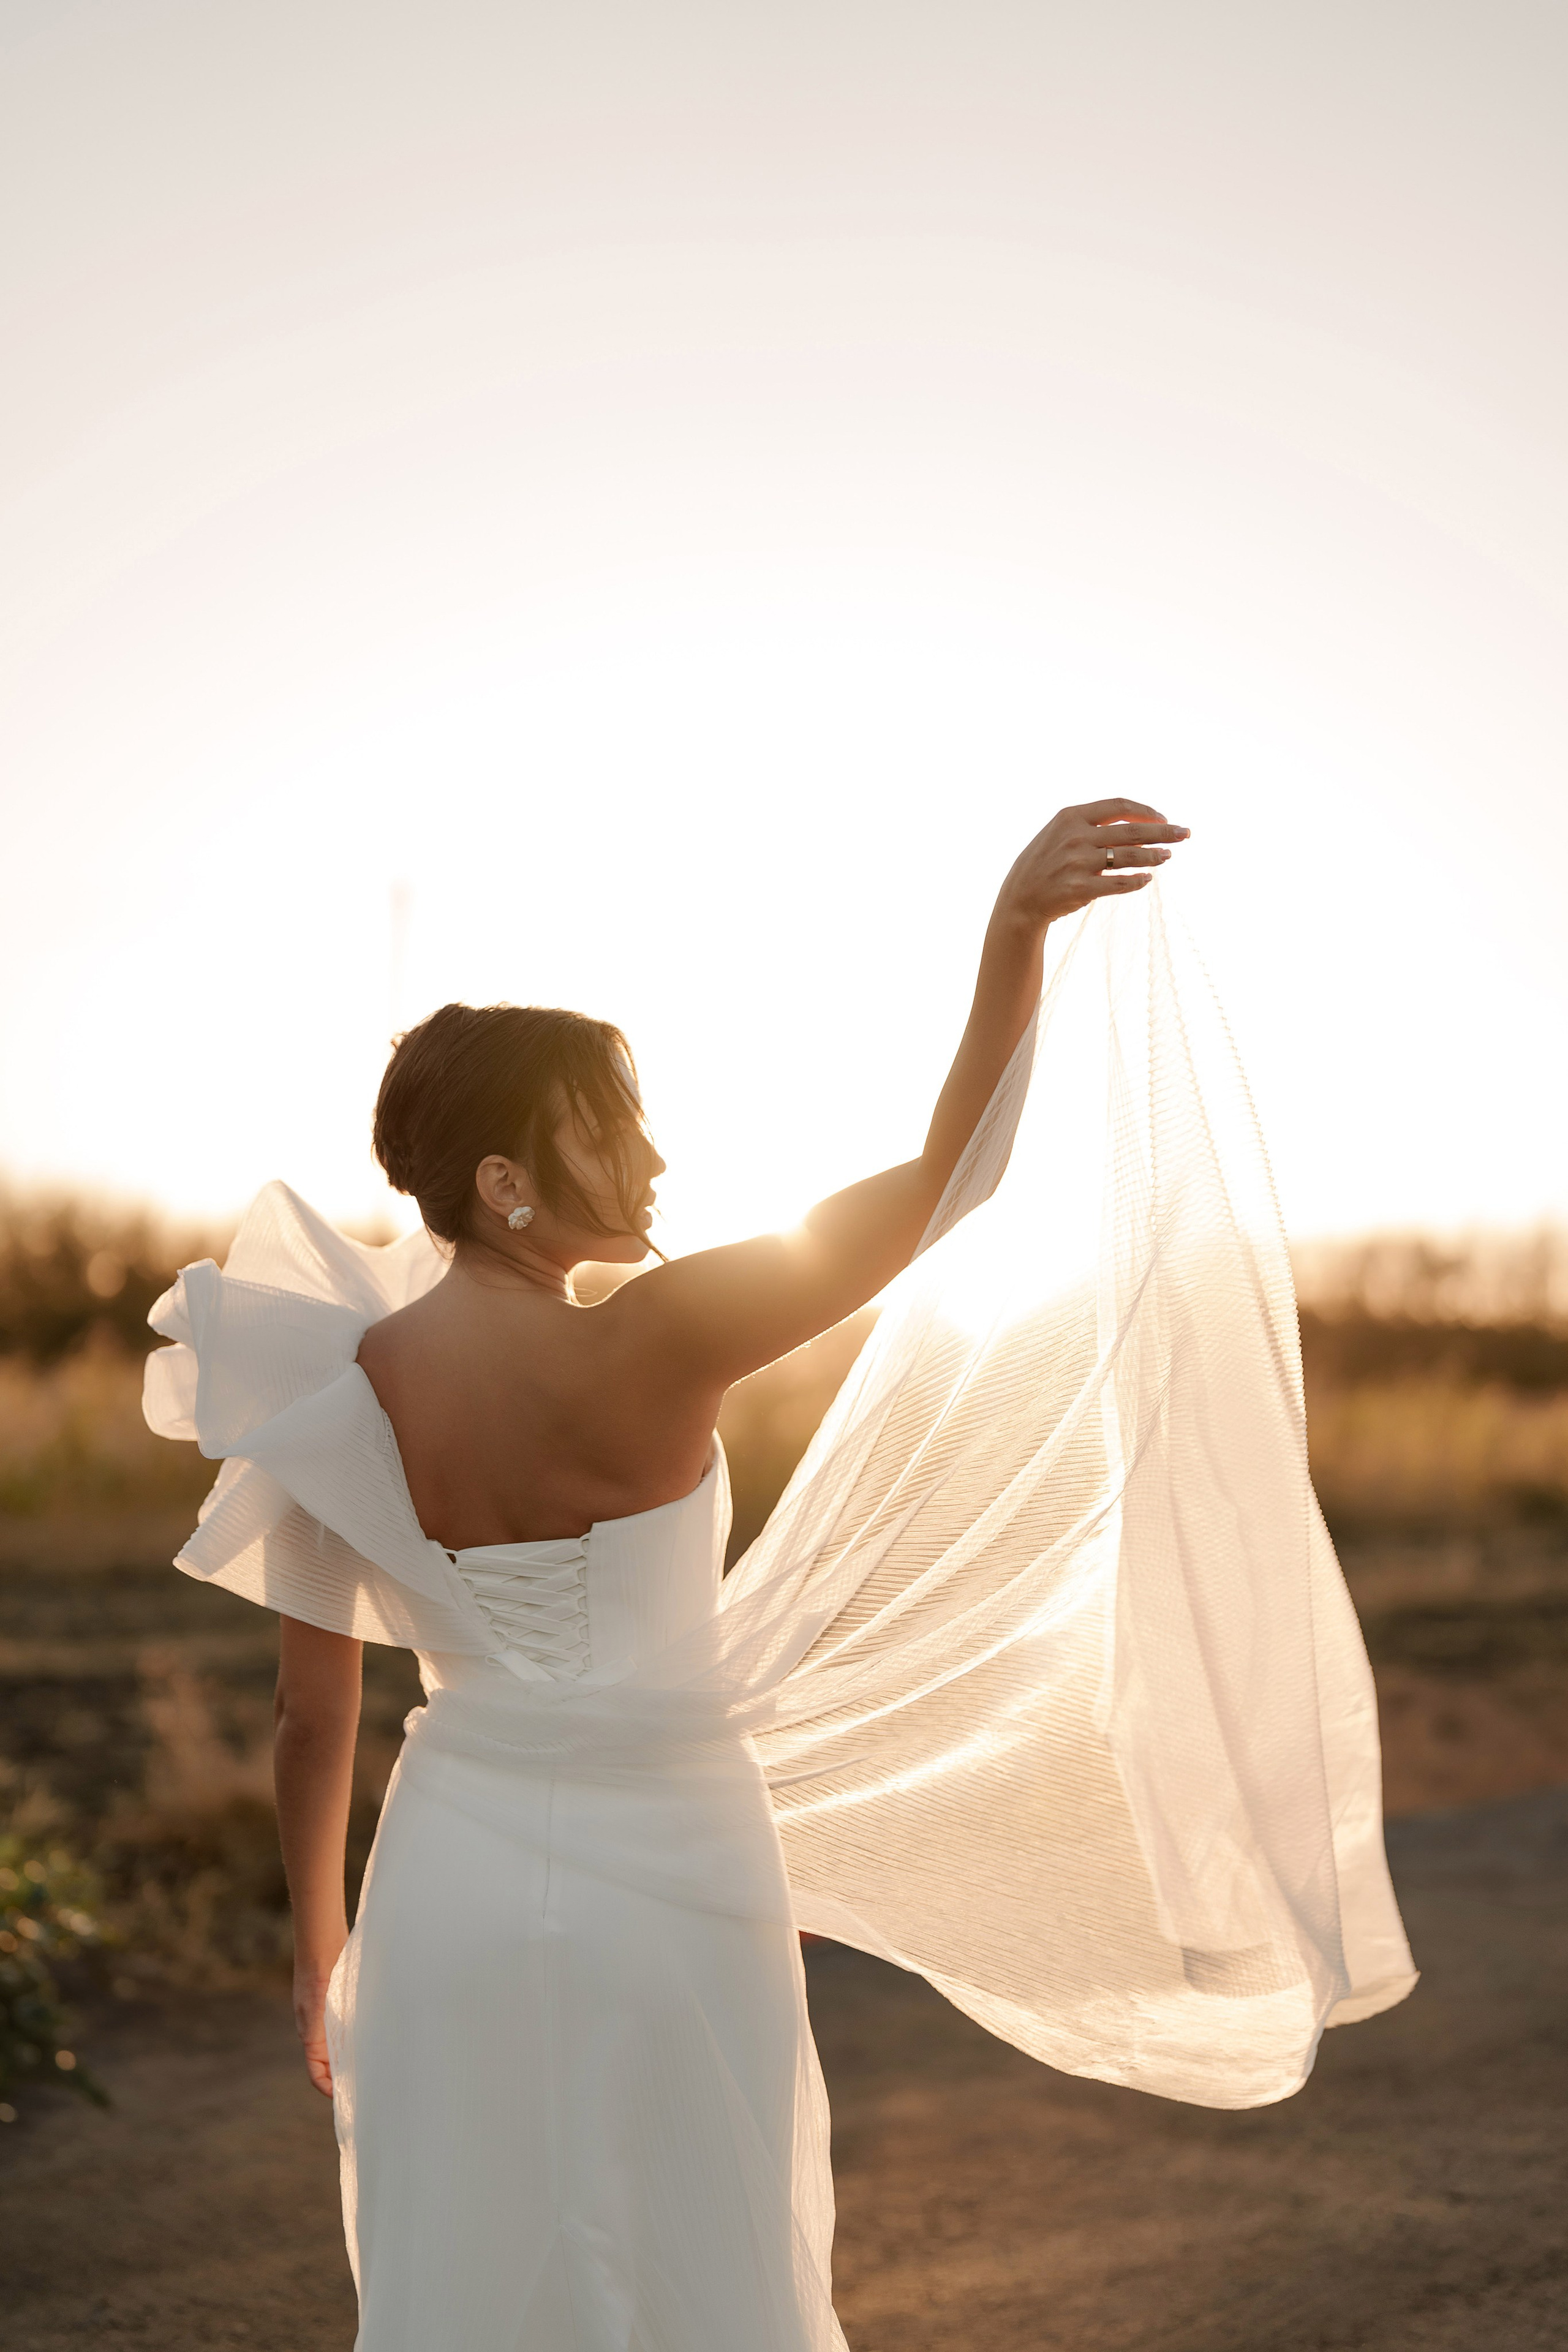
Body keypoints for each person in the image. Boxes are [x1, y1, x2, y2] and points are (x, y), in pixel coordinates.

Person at [145, 799, 1413, 2350]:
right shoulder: (663, 1333)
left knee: (476, 2262)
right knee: (705, 2249)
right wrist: (1011, 933)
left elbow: (307, 1721)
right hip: (683, 1859)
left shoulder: (328, 1390)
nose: (655, 1150)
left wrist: (319, 1952)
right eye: (610, 1120)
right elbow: (956, 1178)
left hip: (447, 1877)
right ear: (502, 1182)